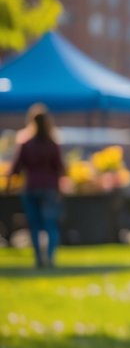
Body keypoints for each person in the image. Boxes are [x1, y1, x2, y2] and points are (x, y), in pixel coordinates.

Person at [6, 104, 66, 269]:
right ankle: (50, 258)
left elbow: (15, 168)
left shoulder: (26, 143)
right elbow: (60, 168)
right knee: (50, 225)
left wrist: (9, 186)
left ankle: (39, 259)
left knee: (35, 226)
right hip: (49, 188)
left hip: (31, 187)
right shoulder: (52, 144)